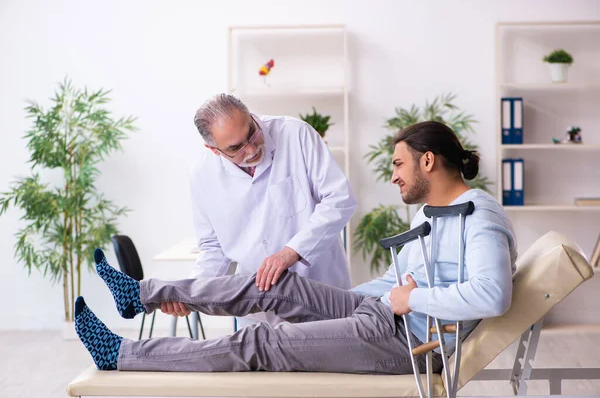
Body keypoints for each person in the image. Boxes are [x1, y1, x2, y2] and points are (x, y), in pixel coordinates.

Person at [76, 120, 517, 375]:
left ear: (427, 161)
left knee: (261, 341)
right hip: (380, 313)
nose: (394, 176)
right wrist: (349, 301)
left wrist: (409, 298)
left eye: (398, 164)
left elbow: (492, 295)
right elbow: (394, 284)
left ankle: (122, 354)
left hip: (408, 343)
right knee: (273, 285)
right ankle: (140, 294)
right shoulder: (428, 214)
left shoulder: (480, 215)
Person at [171, 94, 356, 327]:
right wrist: (192, 290)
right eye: (235, 148)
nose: (251, 150)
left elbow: (339, 198)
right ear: (213, 149)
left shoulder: (295, 134)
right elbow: (213, 247)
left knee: (331, 360)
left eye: (251, 133)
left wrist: (292, 250)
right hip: (259, 310)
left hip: (322, 291)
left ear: (251, 116)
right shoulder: (202, 175)